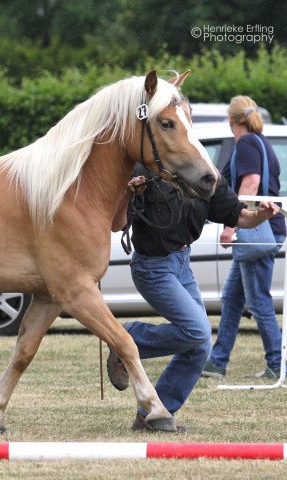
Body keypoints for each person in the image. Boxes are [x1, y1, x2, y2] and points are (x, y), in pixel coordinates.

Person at [106, 98, 280, 433]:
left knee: (200, 346)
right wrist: (126, 194)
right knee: (198, 331)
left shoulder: (204, 170)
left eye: (185, 115)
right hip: (153, 268)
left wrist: (261, 214)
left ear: (190, 121)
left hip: (182, 264)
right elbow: (116, 224)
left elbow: (239, 214)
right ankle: (127, 337)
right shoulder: (144, 168)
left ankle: (153, 415)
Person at [202, 96, 286, 380]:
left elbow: (250, 184)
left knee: (259, 301)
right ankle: (217, 361)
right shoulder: (261, 141)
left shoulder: (248, 143)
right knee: (233, 298)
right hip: (263, 233)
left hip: (255, 233)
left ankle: (278, 363)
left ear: (231, 120)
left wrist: (232, 224)